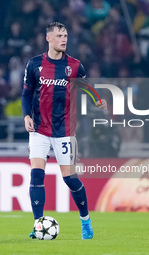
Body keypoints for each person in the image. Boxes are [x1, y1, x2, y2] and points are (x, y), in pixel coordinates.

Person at [21, 22, 106, 240]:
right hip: (39, 129)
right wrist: (27, 115)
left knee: (70, 179)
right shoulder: (34, 64)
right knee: (36, 176)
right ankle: (38, 225)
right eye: (59, 35)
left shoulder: (75, 66)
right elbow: (26, 94)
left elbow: (87, 87)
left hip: (64, 131)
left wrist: (98, 101)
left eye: (66, 35)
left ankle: (85, 221)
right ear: (48, 38)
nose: (64, 39)